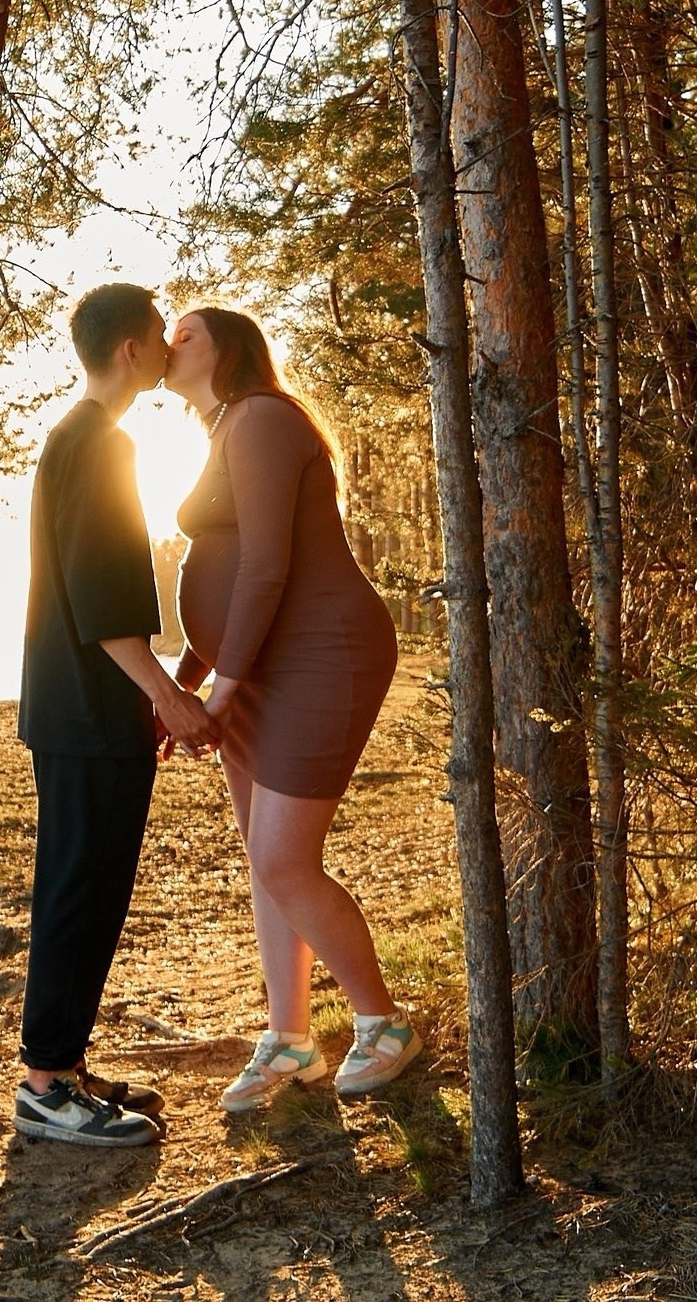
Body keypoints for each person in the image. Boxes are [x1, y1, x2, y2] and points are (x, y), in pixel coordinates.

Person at [165, 305, 421, 1108]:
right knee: (265, 858)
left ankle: (384, 1023)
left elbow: (267, 567)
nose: (171, 343)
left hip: (319, 653)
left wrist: (221, 685)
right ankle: (290, 1040)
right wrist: (190, 677)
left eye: (187, 333)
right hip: (259, 661)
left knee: (283, 859)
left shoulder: (264, 418)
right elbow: (230, 565)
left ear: (230, 348)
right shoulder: (225, 428)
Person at [11, 283, 212, 1148]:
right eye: (161, 335)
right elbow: (101, 604)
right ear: (131, 348)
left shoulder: (78, 438)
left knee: (87, 890)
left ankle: (61, 1065)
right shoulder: (100, 444)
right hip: (89, 713)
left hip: (81, 709)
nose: (169, 348)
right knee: (79, 892)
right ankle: (47, 1086)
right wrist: (168, 697)